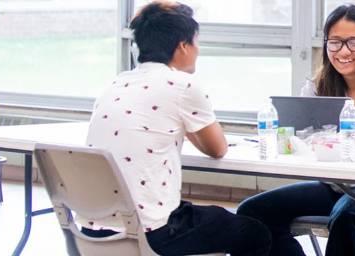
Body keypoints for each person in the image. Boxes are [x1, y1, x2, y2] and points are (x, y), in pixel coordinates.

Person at [82, 1, 271, 255]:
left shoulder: (116, 83)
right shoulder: (183, 85)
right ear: (183, 45)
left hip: (93, 231)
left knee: (210, 217)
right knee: (254, 233)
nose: (198, 49)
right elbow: (217, 149)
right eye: (196, 42)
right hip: (152, 233)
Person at [236, 4, 355, 256]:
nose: (343, 51)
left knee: (348, 214)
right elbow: (302, 138)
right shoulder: (316, 87)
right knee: (254, 211)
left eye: (354, 42)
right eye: (335, 43)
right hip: (337, 185)